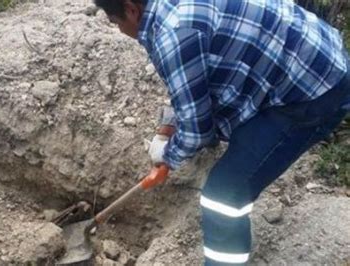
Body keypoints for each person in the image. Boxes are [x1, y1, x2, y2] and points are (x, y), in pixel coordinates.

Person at [93, 0, 350, 265]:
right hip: (315, 53)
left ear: (131, 10)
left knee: (223, 196)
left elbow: (196, 132)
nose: (120, 31)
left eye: (116, 22)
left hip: (315, 92)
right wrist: (171, 122)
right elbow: (197, 73)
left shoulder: (174, 34)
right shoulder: (171, 11)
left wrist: (168, 155)